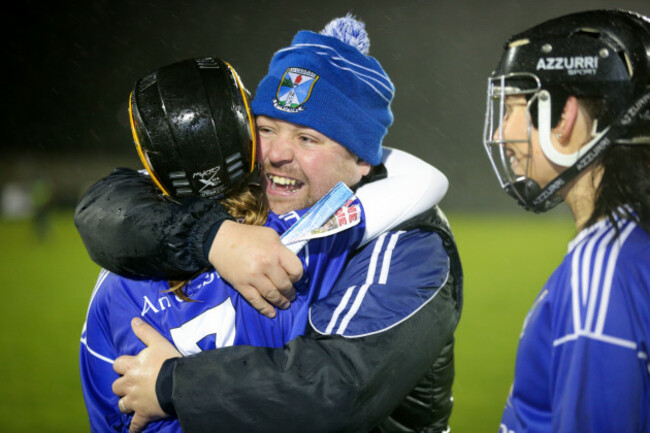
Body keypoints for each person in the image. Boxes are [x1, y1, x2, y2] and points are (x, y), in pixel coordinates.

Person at [76, 15, 462, 433]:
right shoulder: (228, 201)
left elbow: (336, 389)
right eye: (266, 128)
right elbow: (108, 203)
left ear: (362, 159)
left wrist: (173, 384)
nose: (276, 154)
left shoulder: (408, 245)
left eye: (307, 138)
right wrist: (214, 238)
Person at [483, 9, 650, 432]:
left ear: (564, 117)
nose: (502, 135)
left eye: (512, 108)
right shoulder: (630, 247)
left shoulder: (604, 270)